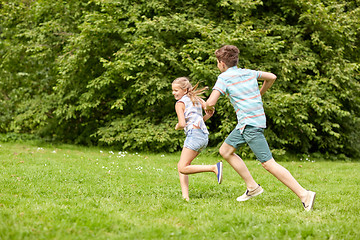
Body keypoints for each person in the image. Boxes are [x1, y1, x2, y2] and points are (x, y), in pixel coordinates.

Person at [205, 45, 316, 211]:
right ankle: (253, 187)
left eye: (217, 62)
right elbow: (271, 77)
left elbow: (211, 102)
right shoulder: (248, 72)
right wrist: (260, 93)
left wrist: (206, 106)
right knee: (226, 151)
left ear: (221, 63)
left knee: (268, 163)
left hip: (250, 124)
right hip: (248, 122)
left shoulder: (224, 78)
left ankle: (304, 194)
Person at [172, 77, 223, 201]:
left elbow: (182, 124)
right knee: (183, 165)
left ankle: (213, 168)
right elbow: (204, 114)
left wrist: (176, 127)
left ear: (184, 90)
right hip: (203, 136)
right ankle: (185, 197)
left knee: (182, 167)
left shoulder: (180, 104)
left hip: (194, 135)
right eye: (172, 90)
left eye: (176, 90)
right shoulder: (196, 99)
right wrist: (207, 116)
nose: (173, 93)